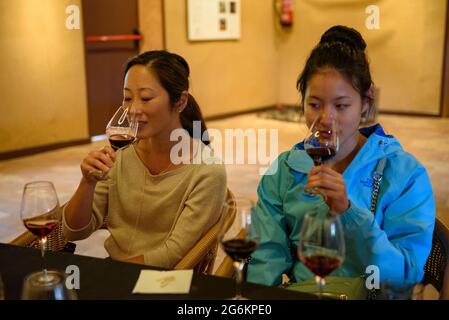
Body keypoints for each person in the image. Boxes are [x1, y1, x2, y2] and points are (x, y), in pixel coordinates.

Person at [247, 26, 435, 286]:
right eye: (314, 105)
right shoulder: (284, 170)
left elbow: (405, 274)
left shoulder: (404, 174)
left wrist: (347, 213)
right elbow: (264, 258)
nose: (326, 119)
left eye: (341, 105)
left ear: (366, 104)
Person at [62, 50, 227, 268]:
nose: (133, 109)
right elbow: (74, 232)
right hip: (120, 273)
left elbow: (173, 254)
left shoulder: (206, 171)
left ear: (180, 101)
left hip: (166, 280)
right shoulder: (120, 155)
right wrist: (88, 182)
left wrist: (110, 275)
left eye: (146, 98)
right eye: (127, 98)